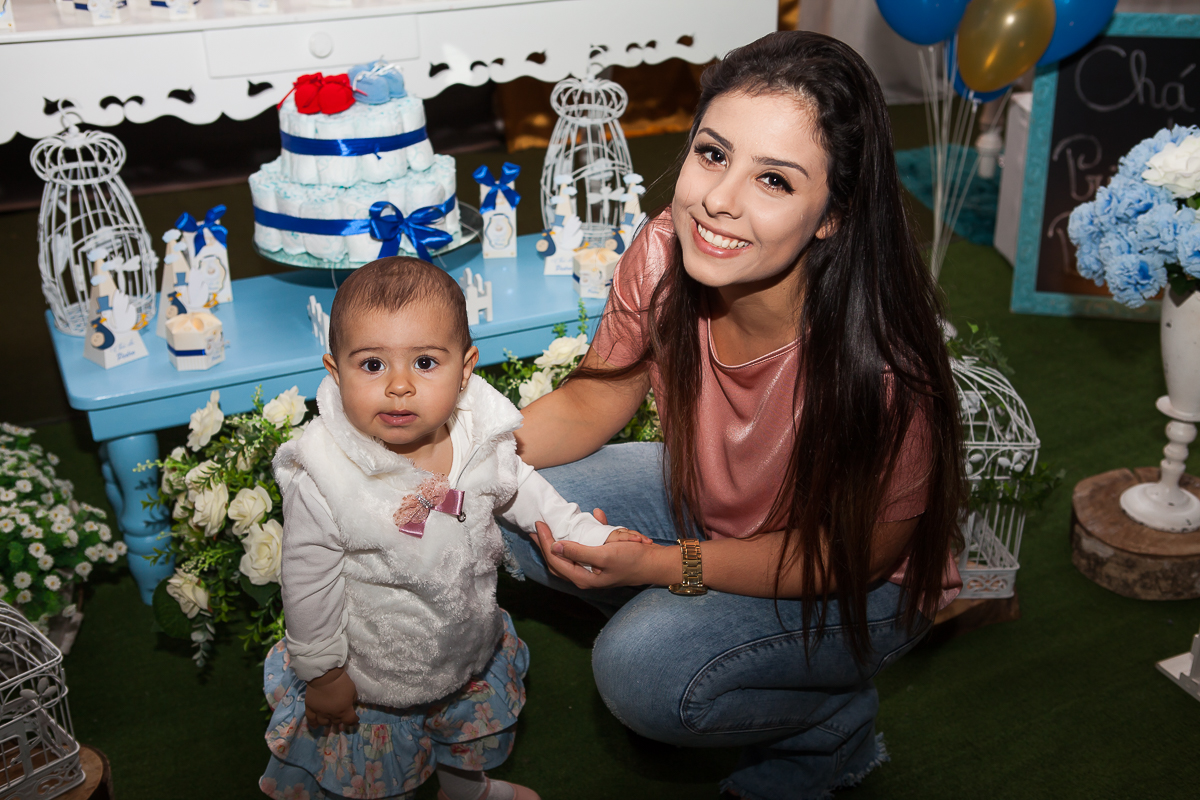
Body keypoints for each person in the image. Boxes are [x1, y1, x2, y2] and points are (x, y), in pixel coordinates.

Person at [502, 30, 968, 800]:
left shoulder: (884, 367)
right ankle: (713, 629)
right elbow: (596, 393)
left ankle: (826, 727)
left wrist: (660, 567)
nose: (718, 199)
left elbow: (843, 560)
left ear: (832, 216)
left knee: (640, 671)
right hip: (713, 506)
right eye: (713, 153)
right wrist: (454, 452)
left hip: (853, 583)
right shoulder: (660, 252)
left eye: (775, 181)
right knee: (500, 501)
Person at [259, 257, 646, 800]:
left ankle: (466, 790)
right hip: (374, 666)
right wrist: (322, 673)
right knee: (379, 771)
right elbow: (307, 581)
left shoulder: (479, 432)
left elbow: (525, 488)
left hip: (464, 640)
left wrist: (587, 534)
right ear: (334, 369)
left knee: (460, 734)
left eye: (424, 362)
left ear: (465, 370)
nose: (398, 386)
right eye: (371, 365)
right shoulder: (325, 474)